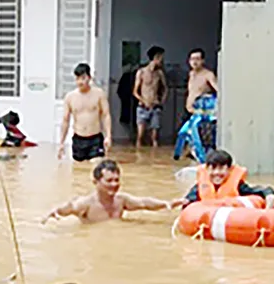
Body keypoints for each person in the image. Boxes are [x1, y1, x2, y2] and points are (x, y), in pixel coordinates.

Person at [42, 159, 184, 224]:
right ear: (96, 182)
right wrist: (55, 211)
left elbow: (143, 203)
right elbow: (70, 207)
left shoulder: (121, 201)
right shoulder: (86, 204)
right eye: (109, 181)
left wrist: (167, 204)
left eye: (116, 180)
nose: (114, 184)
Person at [182, 149, 274, 210]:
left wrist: (269, 196)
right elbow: (188, 200)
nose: (216, 173)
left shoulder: (238, 186)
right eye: (213, 168)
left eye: (221, 168)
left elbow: (261, 191)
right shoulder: (200, 187)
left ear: (229, 170)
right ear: (207, 169)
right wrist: (177, 203)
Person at [58, 63, 112, 162]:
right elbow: (65, 120)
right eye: (77, 78)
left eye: (83, 78)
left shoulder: (99, 94)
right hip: (78, 139)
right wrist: (61, 143)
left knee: (96, 166)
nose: (80, 82)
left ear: (89, 78)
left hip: (95, 138)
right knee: (79, 171)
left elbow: (106, 115)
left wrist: (108, 136)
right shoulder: (70, 97)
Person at [133, 46, 168, 149]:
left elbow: (165, 88)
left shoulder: (159, 73)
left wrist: (161, 101)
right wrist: (143, 101)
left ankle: (155, 156)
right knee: (140, 135)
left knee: (155, 137)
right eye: (161, 58)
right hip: (142, 107)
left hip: (155, 106)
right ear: (156, 58)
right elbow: (135, 91)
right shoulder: (141, 72)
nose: (162, 60)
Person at [184, 48, 218, 117]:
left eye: (197, 59)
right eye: (192, 59)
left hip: (202, 112)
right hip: (190, 111)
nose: (194, 62)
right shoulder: (191, 74)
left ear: (203, 61)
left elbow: (219, 90)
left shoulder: (208, 74)